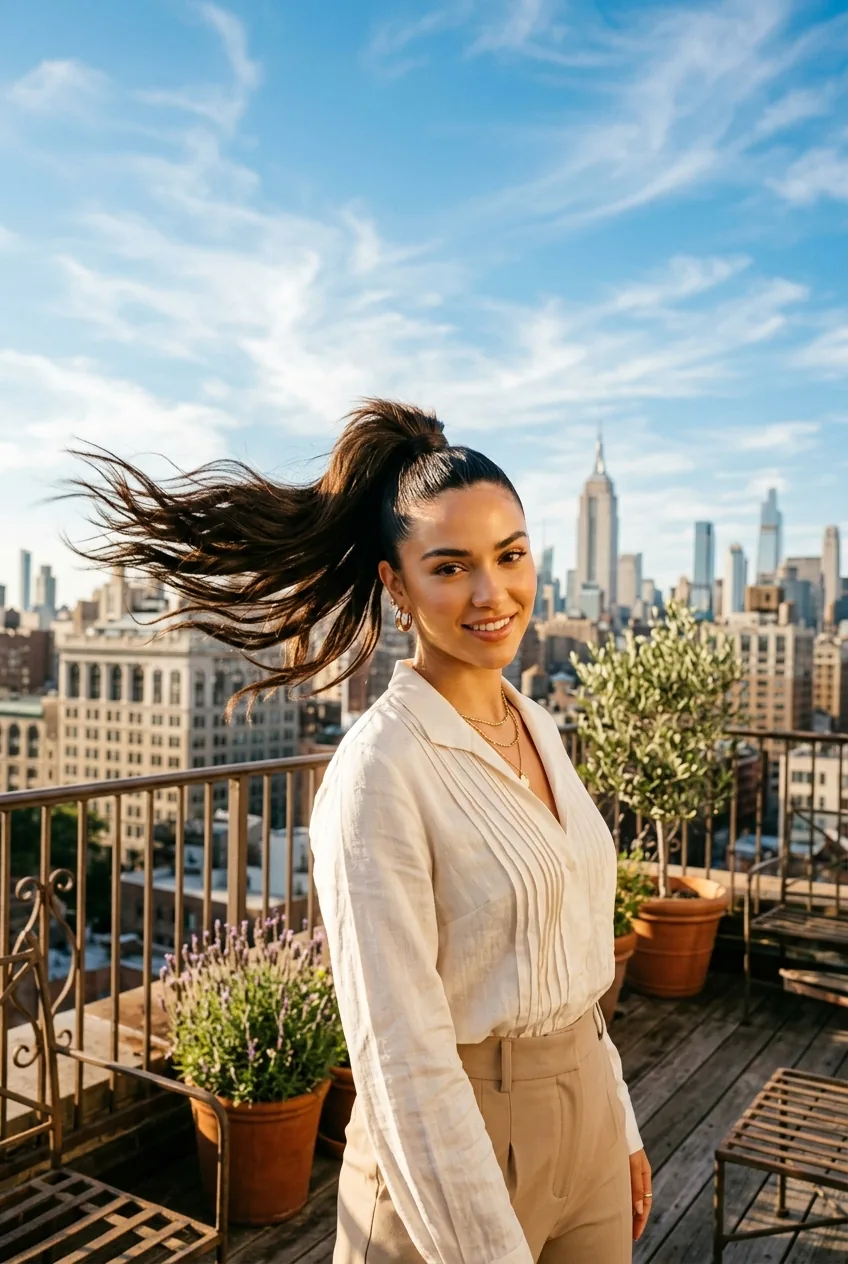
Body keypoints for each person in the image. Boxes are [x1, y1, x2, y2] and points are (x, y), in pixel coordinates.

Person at [70, 399, 651, 1264]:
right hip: (450, 1157)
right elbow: (402, 1060)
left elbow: (569, 956)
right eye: (450, 567)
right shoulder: (379, 771)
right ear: (396, 585)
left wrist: (621, 1123)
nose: (493, 594)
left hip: (591, 1129)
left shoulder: (543, 729)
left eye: (511, 555)